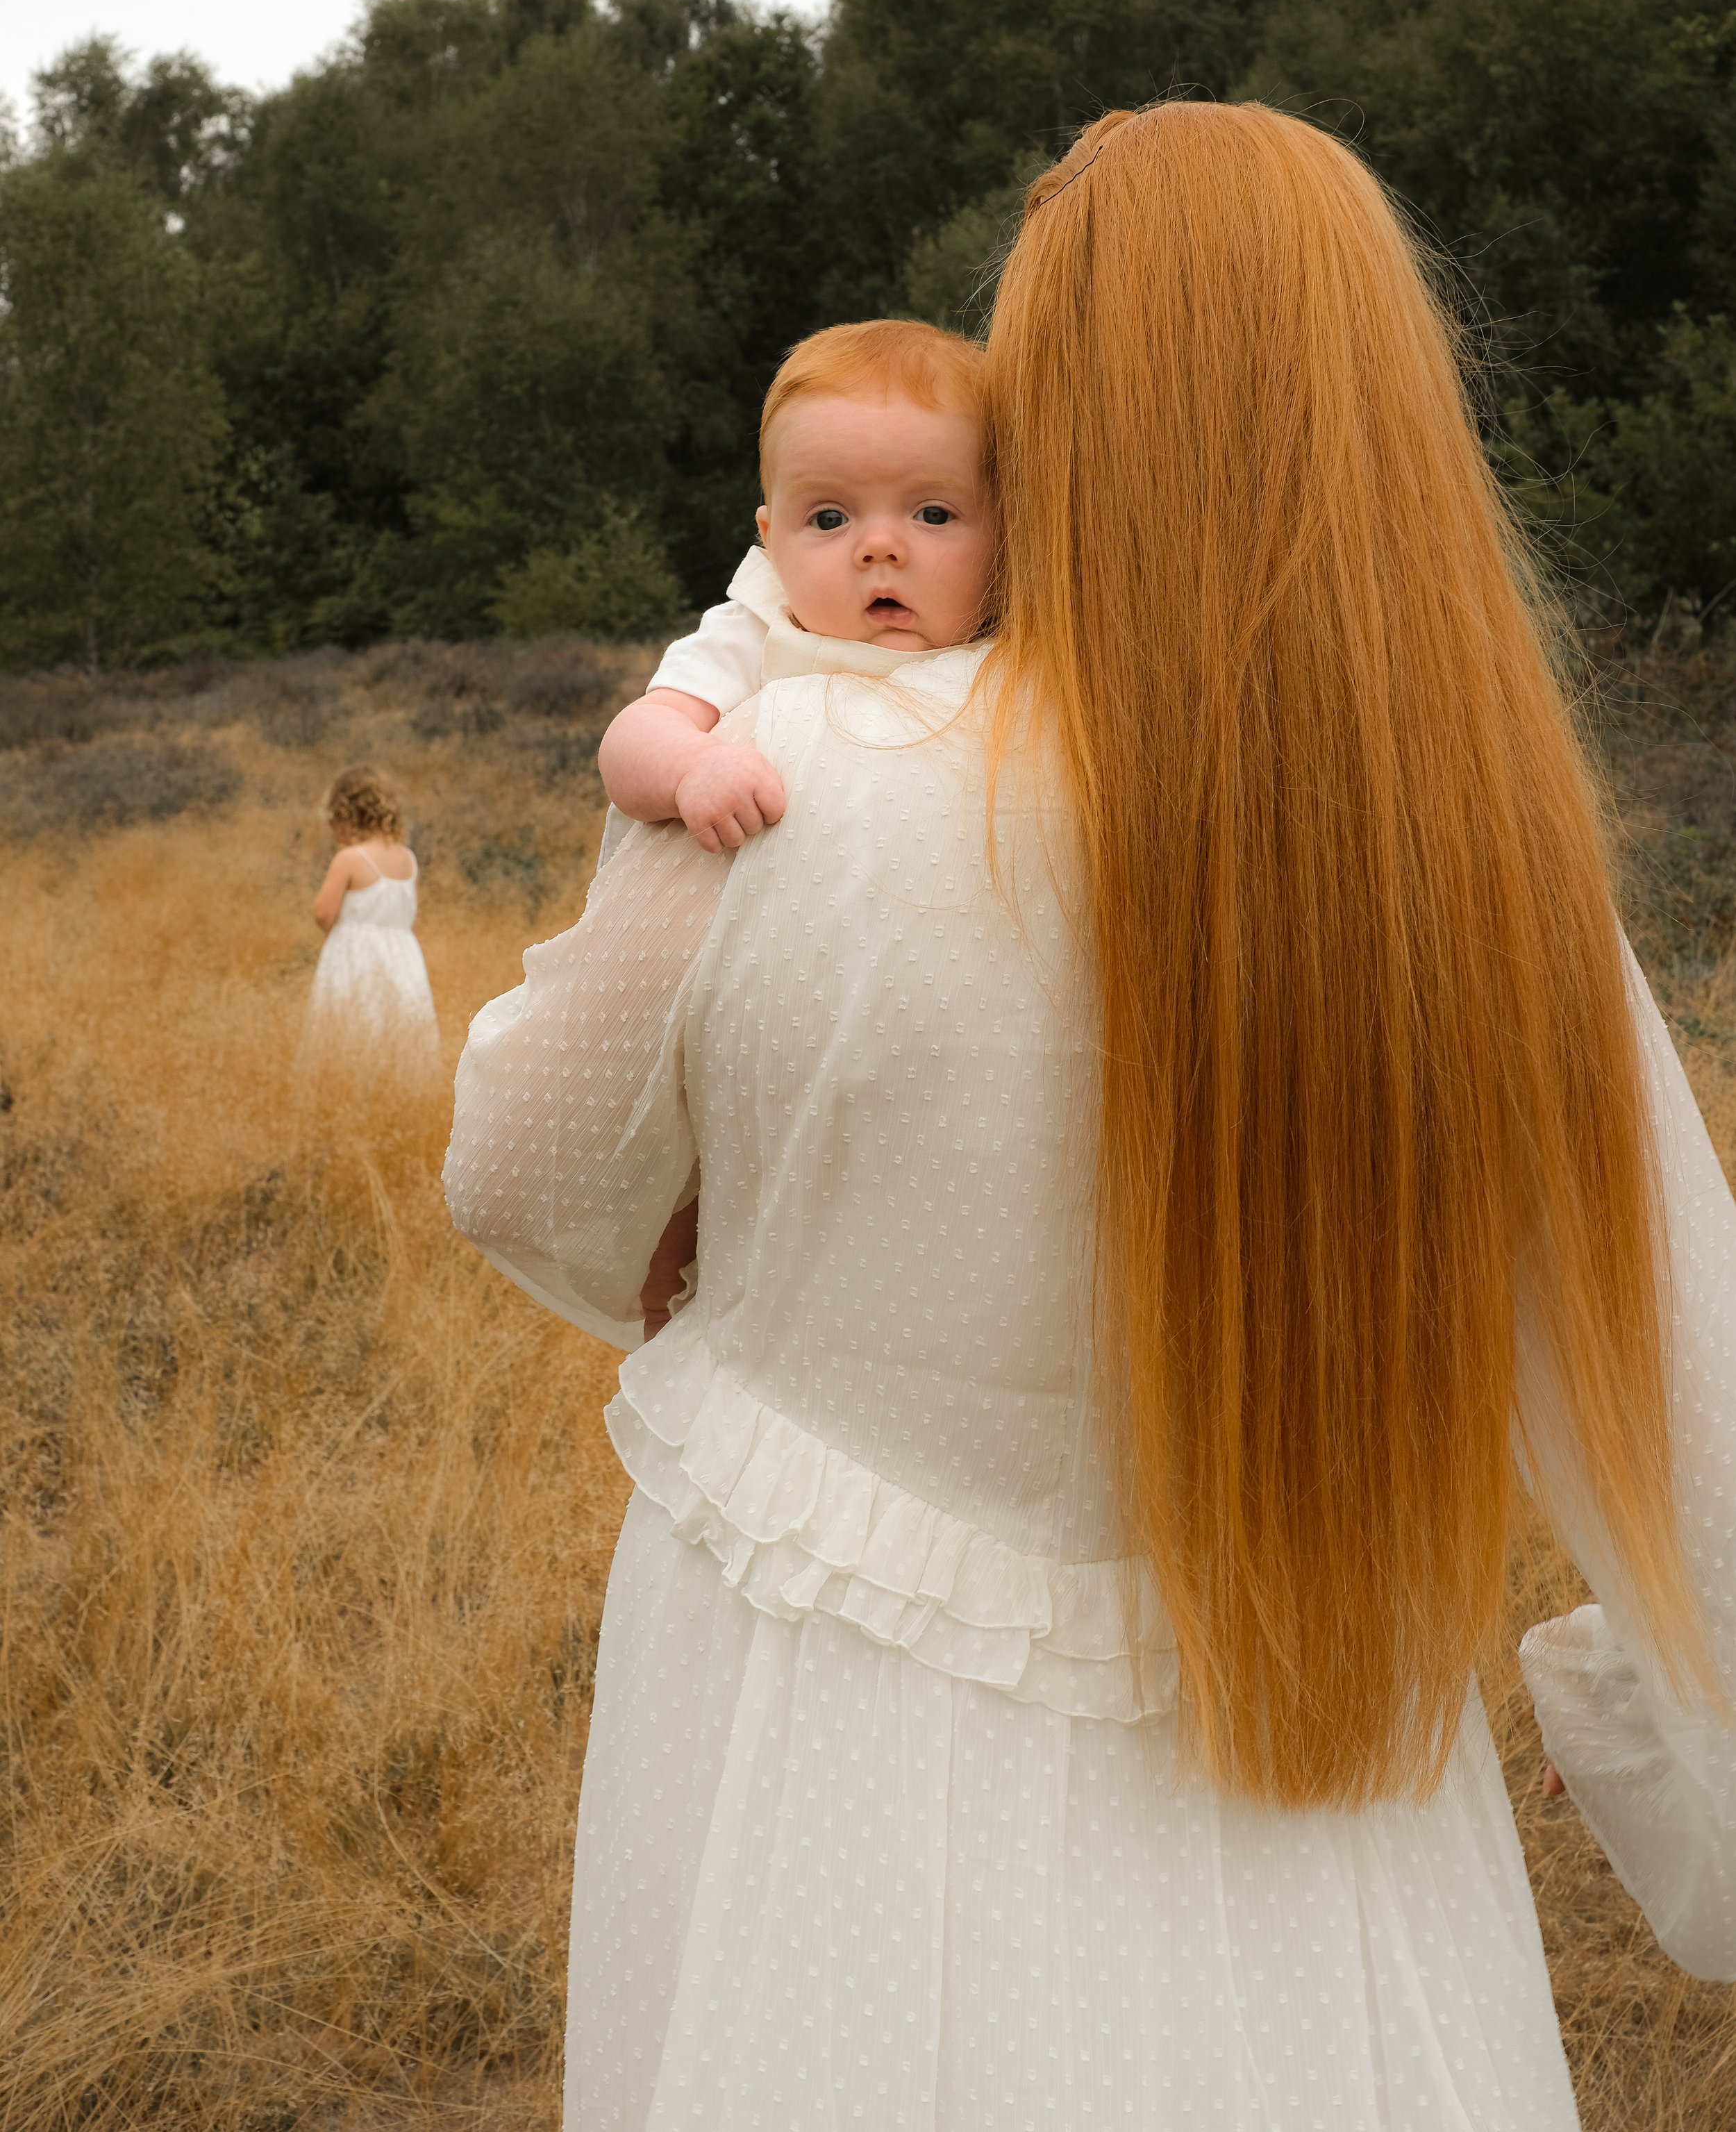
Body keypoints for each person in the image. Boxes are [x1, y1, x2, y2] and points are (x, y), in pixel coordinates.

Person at [444, 102, 1736, 2131]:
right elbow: (1692, 1415)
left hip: (819, 1806)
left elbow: (519, 1168)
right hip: (1321, 1869)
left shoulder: (787, 770)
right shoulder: (1479, 872)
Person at [597, 318, 989, 853]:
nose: (879, 547)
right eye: (829, 519)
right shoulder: (760, 629)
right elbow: (632, 741)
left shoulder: (1016, 640)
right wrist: (693, 765)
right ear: (772, 541)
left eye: (934, 514)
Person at [301, 763, 437, 1075]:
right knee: (396, 1024)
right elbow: (411, 911)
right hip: (404, 957)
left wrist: (344, 932)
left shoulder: (350, 858)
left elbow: (323, 912)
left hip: (355, 954)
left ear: (345, 813)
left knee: (353, 1025)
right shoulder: (407, 858)